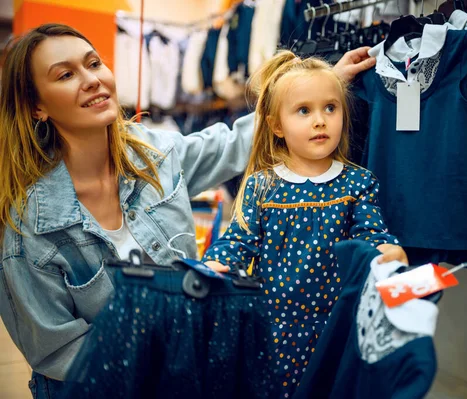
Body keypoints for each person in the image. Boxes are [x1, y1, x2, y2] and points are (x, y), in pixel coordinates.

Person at [0, 23, 376, 397]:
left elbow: (230, 144)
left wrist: (316, 92)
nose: (91, 79)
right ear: (37, 107)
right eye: (66, 74)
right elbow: (56, 350)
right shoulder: (31, 227)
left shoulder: (155, 157)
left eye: (94, 63)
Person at [202, 51, 408, 399]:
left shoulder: (359, 183)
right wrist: (215, 264)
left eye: (331, 108)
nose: (320, 121)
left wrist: (387, 250)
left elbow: (369, 235)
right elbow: (238, 241)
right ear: (276, 125)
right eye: (304, 110)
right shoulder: (261, 186)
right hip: (274, 331)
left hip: (337, 330)